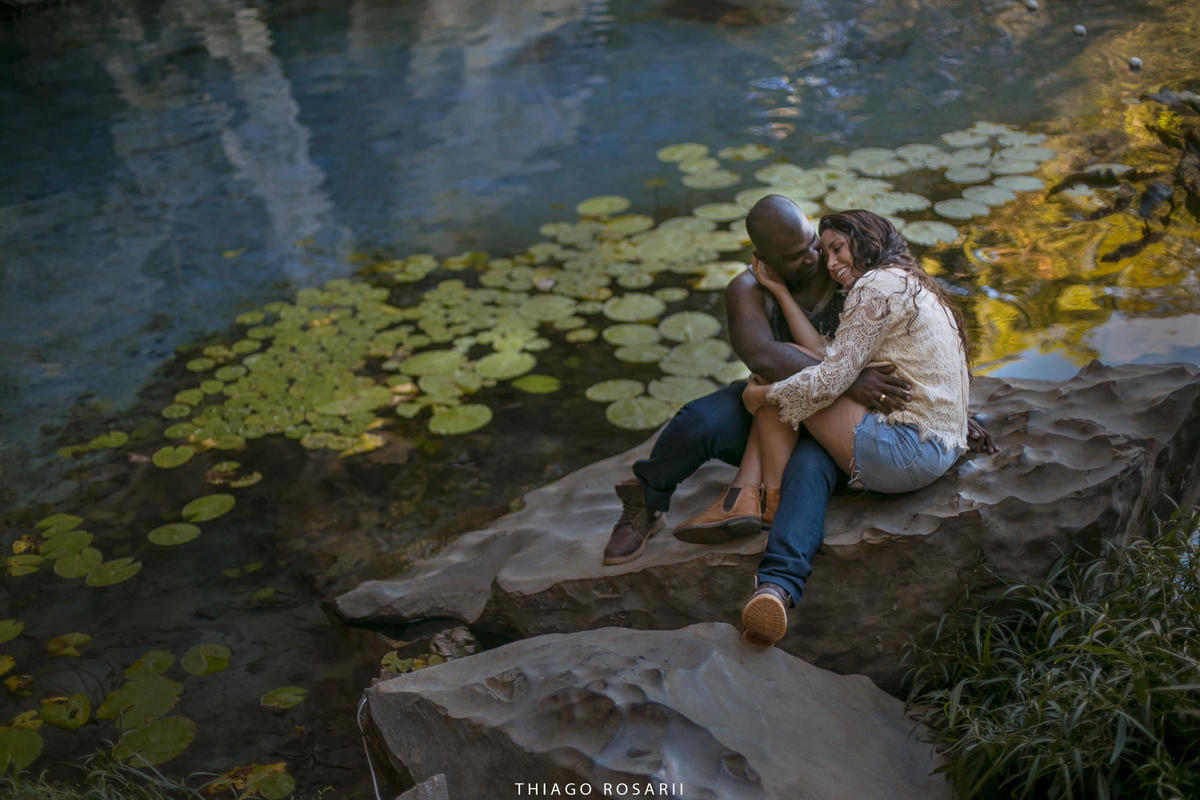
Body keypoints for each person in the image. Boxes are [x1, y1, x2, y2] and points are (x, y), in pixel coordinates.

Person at [737, 209, 980, 645]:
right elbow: (827, 355)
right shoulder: (908, 281)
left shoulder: (874, 287)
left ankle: (760, 491)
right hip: (933, 448)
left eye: (838, 248)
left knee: (783, 379)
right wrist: (776, 288)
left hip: (903, 448)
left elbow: (828, 379)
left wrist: (761, 397)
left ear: (866, 241)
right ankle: (776, 588)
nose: (830, 264)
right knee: (811, 464)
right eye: (824, 251)